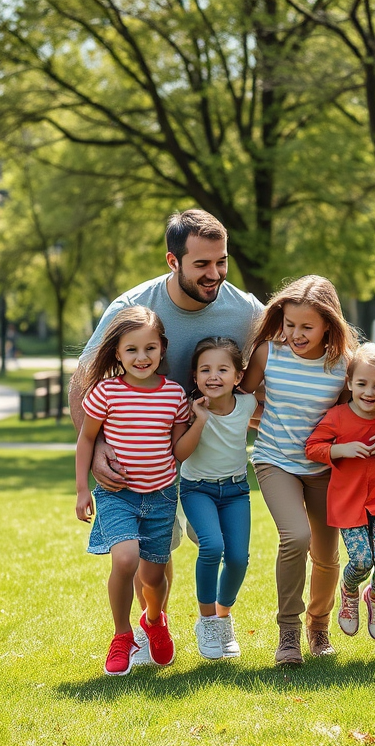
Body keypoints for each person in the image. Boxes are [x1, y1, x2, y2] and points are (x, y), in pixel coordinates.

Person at [69, 209, 263, 664]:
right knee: (153, 552)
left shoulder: (245, 309)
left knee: (213, 549)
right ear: (173, 261)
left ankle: (204, 621)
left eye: (222, 262)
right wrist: (96, 450)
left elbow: (289, 349)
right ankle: (152, 626)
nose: (214, 274)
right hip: (142, 458)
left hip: (210, 456)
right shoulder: (132, 306)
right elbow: (83, 381)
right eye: (202, 264)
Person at [241, 275, 358, 666]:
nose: (295, 334)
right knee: (296, 536)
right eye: (290, 325)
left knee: (326, 554)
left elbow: (351, 417)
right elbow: (240, 402)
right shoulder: (267, 353)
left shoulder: (342, 365)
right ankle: (288, 632)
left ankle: (318, 626)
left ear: (328, 324)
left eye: (307, 327)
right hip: (275, 461)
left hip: (325, 467)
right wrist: (265, 421)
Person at [74, 306, 191, 676]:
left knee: (154, 578)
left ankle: (154, 621)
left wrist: (200, 421)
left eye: (150, 348)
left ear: (162, 349)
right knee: (125, 560)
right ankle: (122, 635)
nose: (142, 358)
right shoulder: (105, 392)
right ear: (117, 353)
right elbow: (86, 441)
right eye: (131, 350)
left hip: (160, 497)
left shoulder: (173, 395)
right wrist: (81, 491)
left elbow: (178, 451)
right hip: (117, 495)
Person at [305, 343, 375, 646]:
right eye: (362, 383)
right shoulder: (338, 417)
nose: (369, 392)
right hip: (348, 502)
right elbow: (312, 447)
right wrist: (341, 449)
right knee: (362, 561)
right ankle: (350, 591)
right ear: (349, 383)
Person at [172, 337, 259, 660]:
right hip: (198, 490)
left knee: (238, 559)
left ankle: (223, 618)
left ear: (238, 377)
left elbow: (277, 421)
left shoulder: (248, 405)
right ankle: (207, 620)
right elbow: (180, 452)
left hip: (236, 491)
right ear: (194, 376)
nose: (213, 376)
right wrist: (200, 420)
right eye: (205, 370)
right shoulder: (190, 408)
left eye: (223, 369)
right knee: (212, 546)